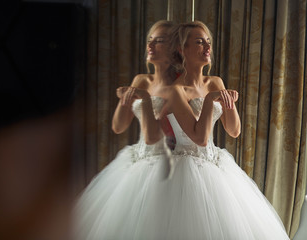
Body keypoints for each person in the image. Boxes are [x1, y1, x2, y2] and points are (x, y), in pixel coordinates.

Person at [152, 21, 289, 239]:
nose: (207, 47)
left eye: (208, 42)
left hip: (216, 164)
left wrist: (229, 105)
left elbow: (234, 130)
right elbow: (200, 138)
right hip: (185, 169)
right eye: (199, 42)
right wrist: (209, 100)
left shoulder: (216, 82)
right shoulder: (175, 92)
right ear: (182, 49)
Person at [72, 20, 178, 239]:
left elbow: (159, 134)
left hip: (167, 159)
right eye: (150, 40)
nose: (151, 46)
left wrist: (147, 101)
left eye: (159, 41)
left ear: (175, 48)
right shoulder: (141, 80)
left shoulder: (179, 86)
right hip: (138, 159)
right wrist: (125, 102)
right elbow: (118, 126)